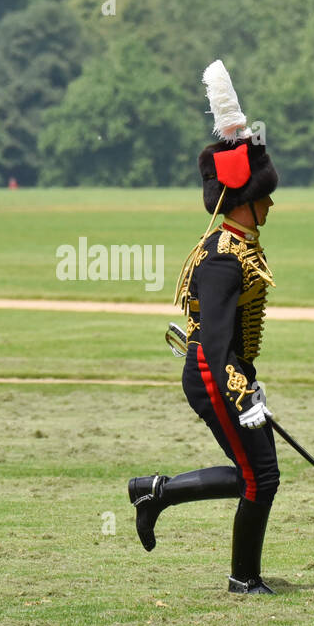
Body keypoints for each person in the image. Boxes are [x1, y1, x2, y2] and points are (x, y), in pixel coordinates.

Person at [127, 60, 281, 594]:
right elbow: (214, 345)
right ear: (245, 199)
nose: (271, 203)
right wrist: (245, 397)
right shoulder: (222, 257)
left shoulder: (238, 246)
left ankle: (156, 493)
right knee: (261, 477)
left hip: (227, 373)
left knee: (255, 475)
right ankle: (242, 579)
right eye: (265, 194)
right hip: (215, 375)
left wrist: (250, 382)